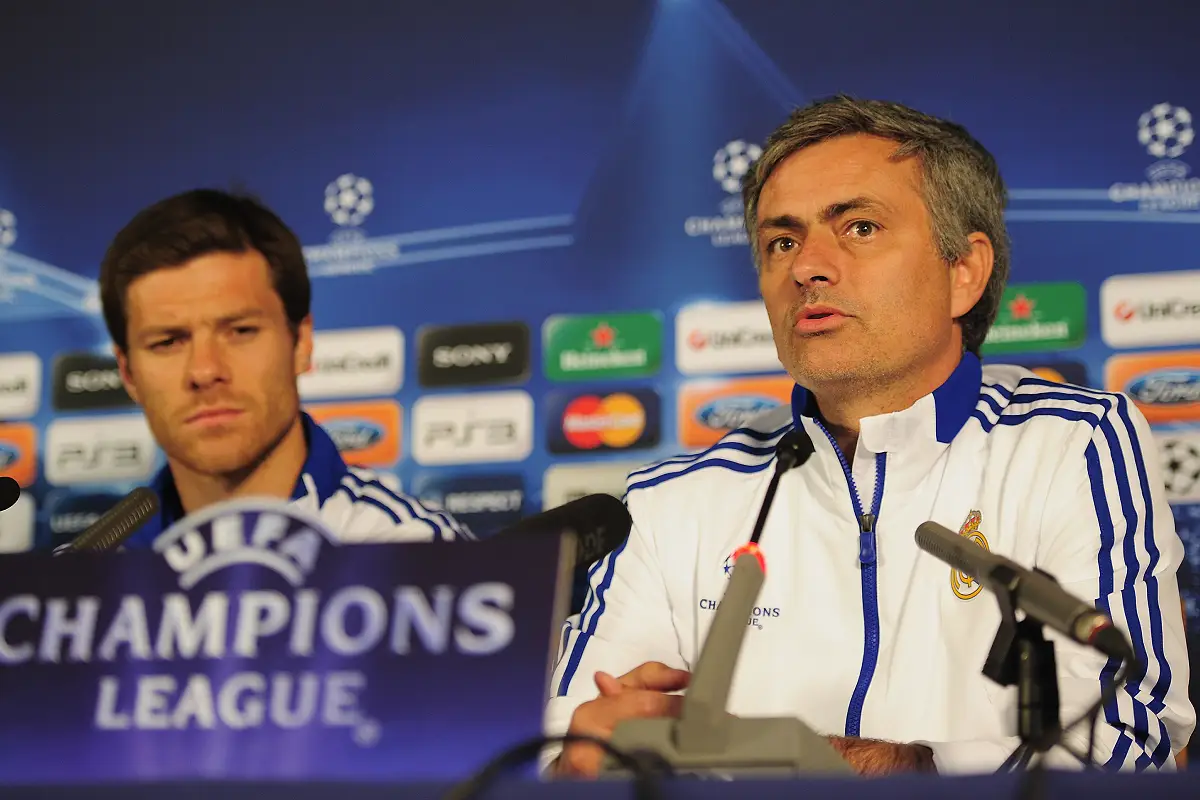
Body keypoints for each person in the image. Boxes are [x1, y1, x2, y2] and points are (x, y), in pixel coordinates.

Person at [544, 96, 1194, 776]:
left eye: (857, 227)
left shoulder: (1073, 444)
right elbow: (563, 743)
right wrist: (584, 757)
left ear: (963, 271)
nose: (806, 267)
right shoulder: (673, 500)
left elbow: (1127, 739)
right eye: (782, 242)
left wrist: (862, 769)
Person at [97, 189, 470, 545]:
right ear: (128, 373)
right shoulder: (78, 581)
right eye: (168, 342)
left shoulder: (418, 557)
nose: (204, 371)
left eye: (241, 331)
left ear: (301, 343)